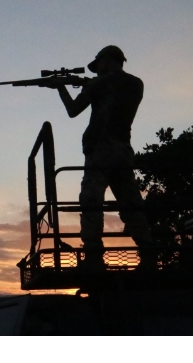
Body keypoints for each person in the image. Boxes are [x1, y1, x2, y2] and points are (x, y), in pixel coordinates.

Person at [52, 45, 154, 271]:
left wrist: (61, 88)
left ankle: (94, 256)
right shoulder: (136, 84)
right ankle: (148, 254)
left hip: (100, 150)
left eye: (98, 64)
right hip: (123, 150)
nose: (97, 69)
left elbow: (73, 110)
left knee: (91, 200)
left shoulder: (99, 84)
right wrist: (88, 85)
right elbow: (113, 94)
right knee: (131, 204)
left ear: (108, 60)